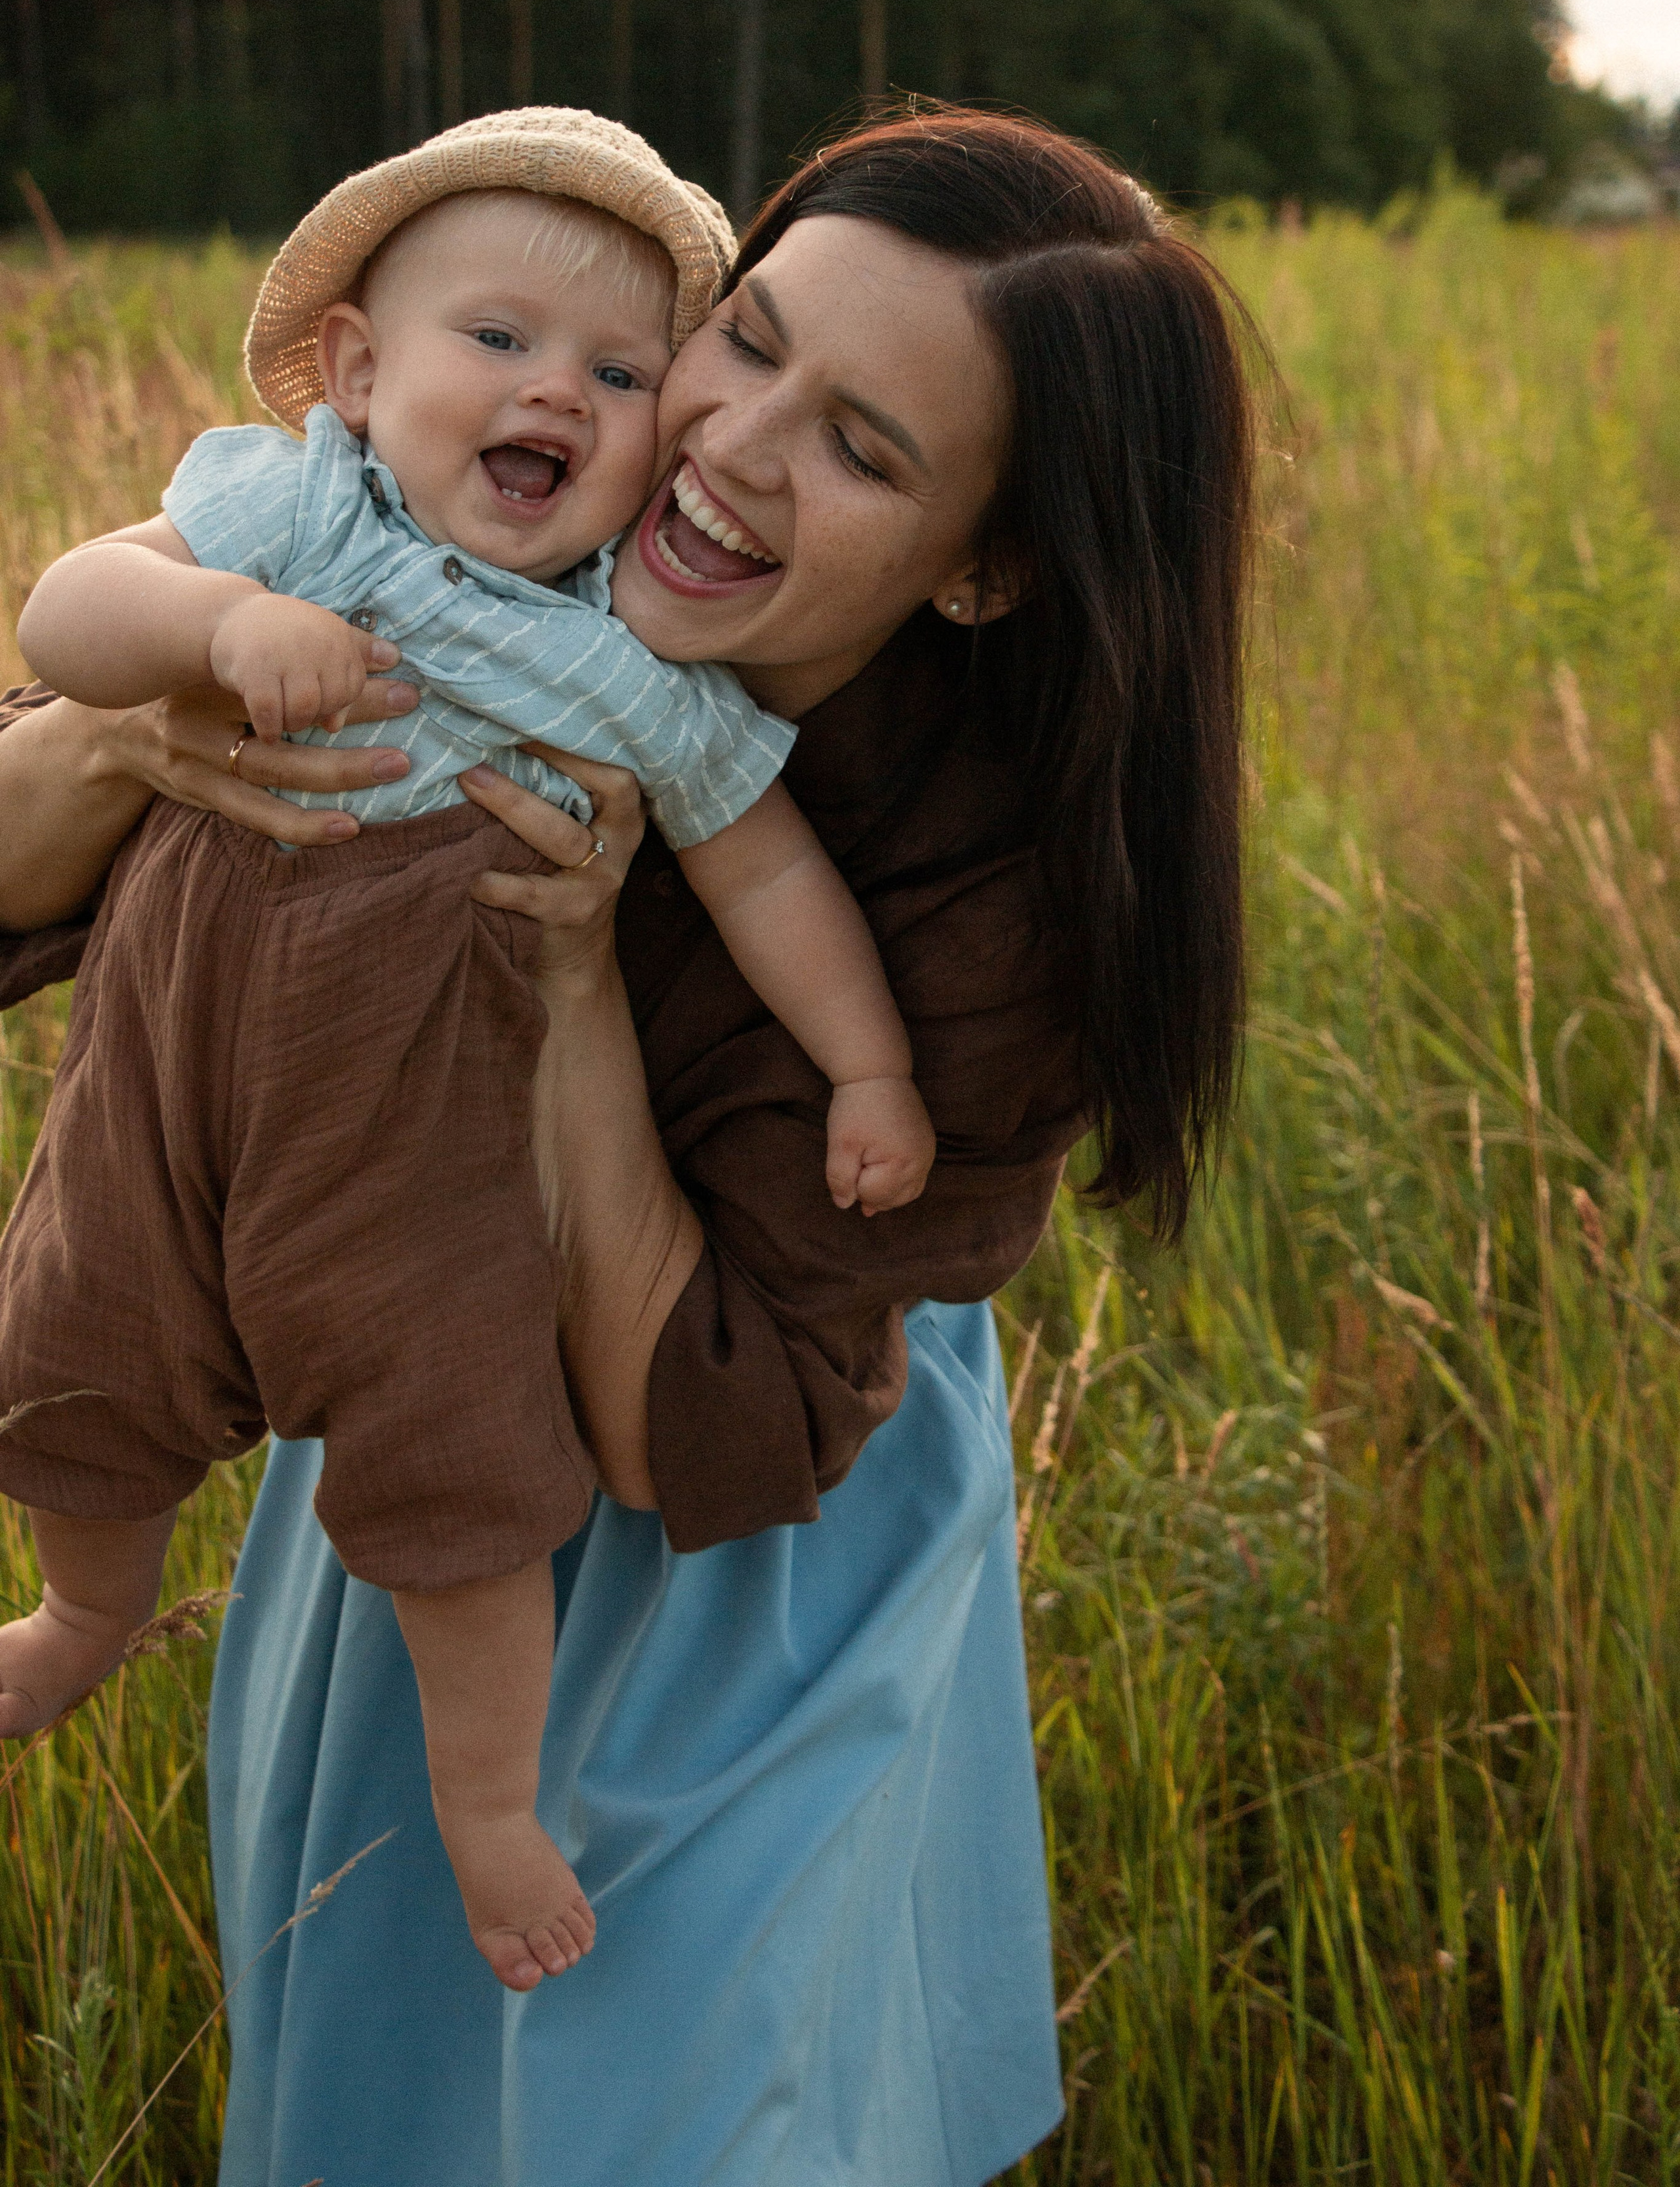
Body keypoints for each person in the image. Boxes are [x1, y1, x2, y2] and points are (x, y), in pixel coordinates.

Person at [0, 105, 1255, 2185]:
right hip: (405, 1410)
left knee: (693, 2106)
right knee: (388, 2091)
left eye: (864, 450)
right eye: (745, 341)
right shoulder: (455, 508)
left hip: (750, 1516)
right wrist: (146, 726)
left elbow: (700, 1437)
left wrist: (575, 978)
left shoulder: (990, 902)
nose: (727, 447)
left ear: (988, 565)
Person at [0, 108, 934, 1991]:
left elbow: (768, 875)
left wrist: (870, 1071)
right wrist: (219, 624)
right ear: (358, 374)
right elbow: (66, 611)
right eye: (497, 340)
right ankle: (82, 1616)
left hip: (422, 1162)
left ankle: (491, 1803)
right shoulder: (294, 518)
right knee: (80, 1354)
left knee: (467, 1475)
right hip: (160, 1096)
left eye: (620, 374)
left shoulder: (632, 674)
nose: (556, 394)